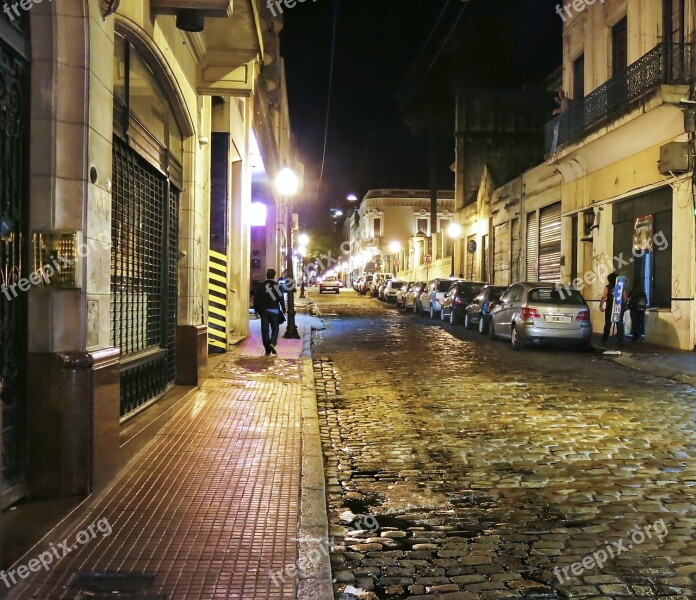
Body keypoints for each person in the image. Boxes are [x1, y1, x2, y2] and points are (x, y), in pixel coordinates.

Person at [252, 268, 286, 356]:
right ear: (274, 275)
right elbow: (281, 299)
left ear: (266, 275)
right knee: (275, 329)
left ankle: (267, 348)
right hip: (274, 310)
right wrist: (284, 309)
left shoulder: (261, 286)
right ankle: (272, 343)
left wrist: (256, 310)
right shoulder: (277, 286)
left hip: (264, 311)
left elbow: (256, 299)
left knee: (265, 330)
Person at [599, 272, 627, 345]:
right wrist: (624, 305)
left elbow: (603, 297)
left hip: (610, 308)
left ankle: (605, 339)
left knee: (608, 323)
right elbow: (624, 297)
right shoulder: (620, 287)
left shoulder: (607, 287)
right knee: (619, 324)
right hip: (618, 308)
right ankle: (620, 341)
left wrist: (600, 305)